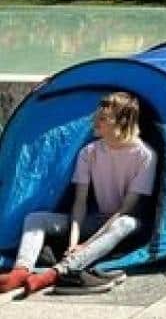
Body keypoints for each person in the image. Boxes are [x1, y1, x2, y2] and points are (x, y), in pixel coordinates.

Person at [0, 92, 157, 295]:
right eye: (97, 116)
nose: (95, 121)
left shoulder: (146, 156)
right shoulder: (89, 152)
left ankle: (61, 271)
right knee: (35, 219)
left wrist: (86, 245)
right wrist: (73, 242)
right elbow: (80, 202)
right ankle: (21, 270)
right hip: (97, 219)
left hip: (131, 224)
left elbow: (126, 208)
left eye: (103, 118)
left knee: (124, 222)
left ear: (122, 121)